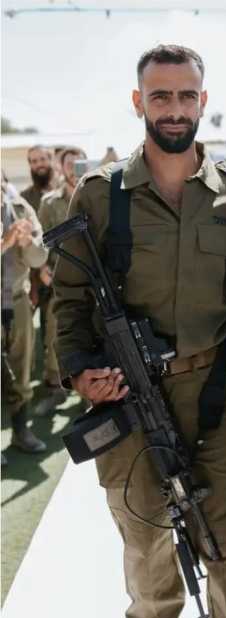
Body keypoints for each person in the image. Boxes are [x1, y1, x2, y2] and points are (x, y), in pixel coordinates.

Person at [52, 44, 226, 618]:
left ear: (205, 101)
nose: (175, 110)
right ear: (138, 101)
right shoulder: (100, 196)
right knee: (144, 540)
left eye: (187, 96)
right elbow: (69, 301)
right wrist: (79, 373)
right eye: (162, 96)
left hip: (213, 392)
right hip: (126, 398)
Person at [34, 147, 86, 416]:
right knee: (56, 334)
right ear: (61, 166)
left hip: (94, 279)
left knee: (98, 333)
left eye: (79, 162)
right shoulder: (50, 202)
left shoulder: (98, 195)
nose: (74, 167)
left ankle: (90, 396)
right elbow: (39, 239)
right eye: (69, 163)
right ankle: (55, 389)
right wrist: (42, 267)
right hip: (60, 281)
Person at [1, 175, 48, 460]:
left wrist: (28, 241)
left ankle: (21, 432)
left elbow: (39, 258)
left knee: (21, 371)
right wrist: (6, 242)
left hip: (17, 301)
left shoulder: (20, 207)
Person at [20, 144, 56, 212]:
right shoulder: (25, 197)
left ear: (50, 160)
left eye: (43, 159)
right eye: (34, 161)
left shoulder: (65, 190)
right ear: (30, 165)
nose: (39, 164)